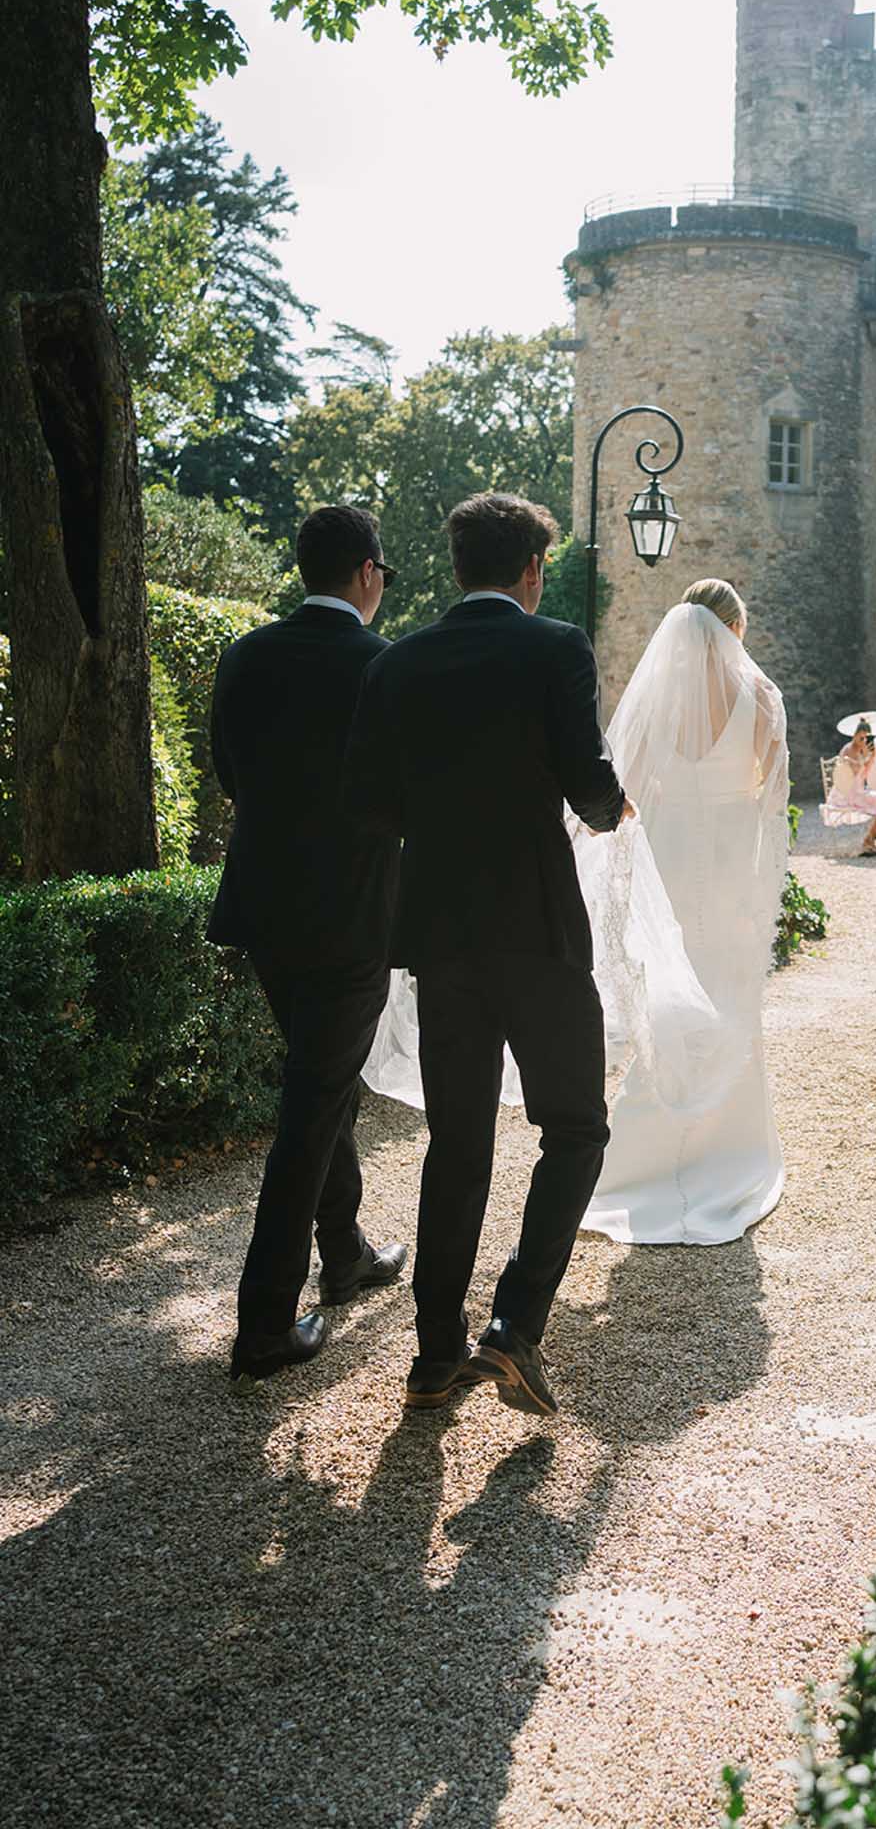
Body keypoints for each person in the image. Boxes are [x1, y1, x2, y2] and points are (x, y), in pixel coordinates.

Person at [344, 492, 631, 1417]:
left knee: (456, 1143)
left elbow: (370, 805)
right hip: (539, 930)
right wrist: (612, 805)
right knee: (576, 1127)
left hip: (440, 933)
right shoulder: (555, 649)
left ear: (461, 564)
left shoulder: (400, 662)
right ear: (533, 570)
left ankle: (433, 1358)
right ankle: (514, 1325)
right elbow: (590, 791)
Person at [208, 506, 407, 1383]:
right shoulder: (380, 666)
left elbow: (227, 770)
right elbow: (406, 794)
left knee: (321, 1084)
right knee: (313, 1101)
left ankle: (349, 1250)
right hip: (352, 915)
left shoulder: (245, 655)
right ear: (366, 571)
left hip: (262, 911)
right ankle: (262, 1322)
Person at [575, 577, 790, 1245]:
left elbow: (623, 788)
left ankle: (634, 1164)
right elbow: (772, 801)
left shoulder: (660, 699)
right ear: (736, 632)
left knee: (669, 1004)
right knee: (729, 1001)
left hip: (671, 862)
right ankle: (730, 1154)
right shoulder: (759, 697)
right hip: (728, 865)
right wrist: (761, 892)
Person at [829, 718, 876, 856]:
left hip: (859, 792)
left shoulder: (863, 750)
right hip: (847, 795)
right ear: (855, 735)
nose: (864, 739)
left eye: (867, 737)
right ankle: (875, 844)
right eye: (861, 736)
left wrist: (872, 756)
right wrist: (865, 756)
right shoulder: (848, 750)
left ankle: (875, 843)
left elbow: (865, 774)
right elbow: (852, 774)